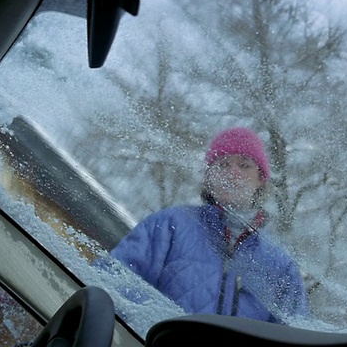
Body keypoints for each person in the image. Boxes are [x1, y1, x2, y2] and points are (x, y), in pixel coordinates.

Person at [110, 127, 310, 323]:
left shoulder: (281, 266)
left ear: (261, 179)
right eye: (223, 164)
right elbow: (112, 283)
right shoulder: (168, 225)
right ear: (209, 177)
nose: (233, 173)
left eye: (244, 165)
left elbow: (294, 336)